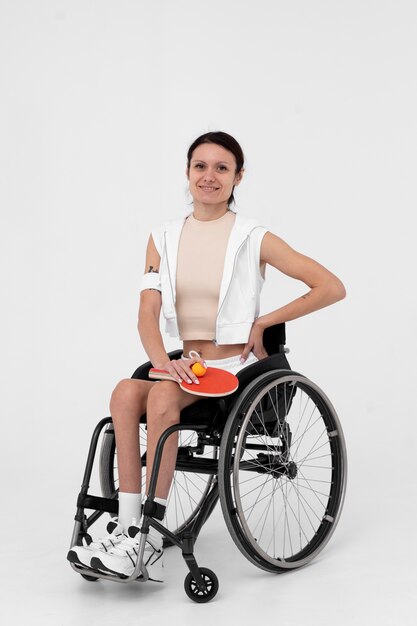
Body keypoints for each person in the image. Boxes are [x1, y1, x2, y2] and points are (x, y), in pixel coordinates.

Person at [68, 131, 346, 582]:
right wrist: (164, 360)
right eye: (201, 166)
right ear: (187, 172)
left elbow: (331, 287)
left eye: (221, 168)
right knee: (124, 392)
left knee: (160, 400)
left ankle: (150, 539)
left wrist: (264, 322)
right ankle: (127, 521)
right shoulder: (162, 237)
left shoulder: (253, 237)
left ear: (238, 176)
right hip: (183, 367)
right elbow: (147, 311)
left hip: (232, 372)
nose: (209, 176)